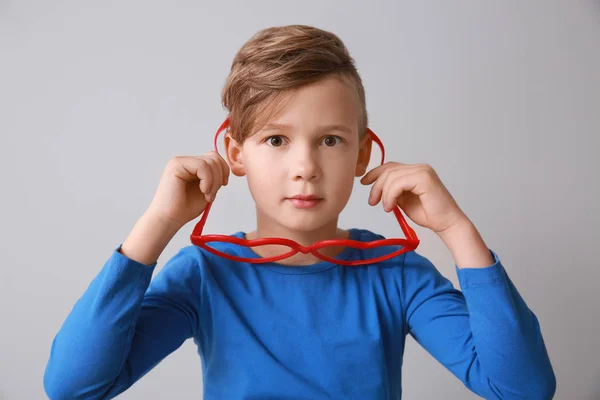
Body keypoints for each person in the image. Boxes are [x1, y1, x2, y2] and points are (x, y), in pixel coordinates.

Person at [43, 25, 556, 399]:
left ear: (361, 154)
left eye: (330, 140)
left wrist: (457, 229)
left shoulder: (397, 276)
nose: (305, 166)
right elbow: (73, 386)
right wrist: (156, 225)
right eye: (276, 139)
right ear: (236, 153)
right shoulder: (205, 275)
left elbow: (522, 389)